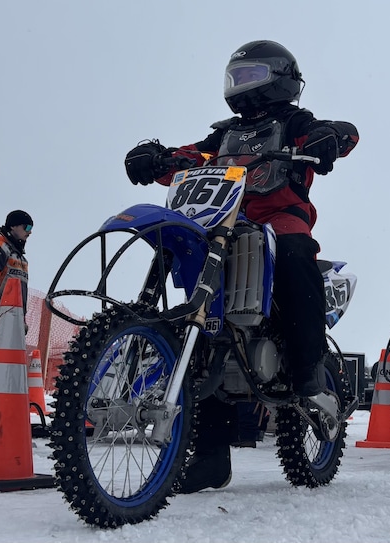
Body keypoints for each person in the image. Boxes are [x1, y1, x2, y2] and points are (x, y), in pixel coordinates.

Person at [123, 40, 358, 493]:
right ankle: (210, 458)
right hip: (221, 224)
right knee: (205, 335)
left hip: (279, 219)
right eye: (236, 77)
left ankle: (309, 370)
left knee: (295, 253)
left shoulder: (294, 122)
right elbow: (191, 157)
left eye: (251, 76)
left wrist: (331, 136)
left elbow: (342, 135)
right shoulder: (225, 135)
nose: (241, 86)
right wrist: (158, 159)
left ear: (280, 78)